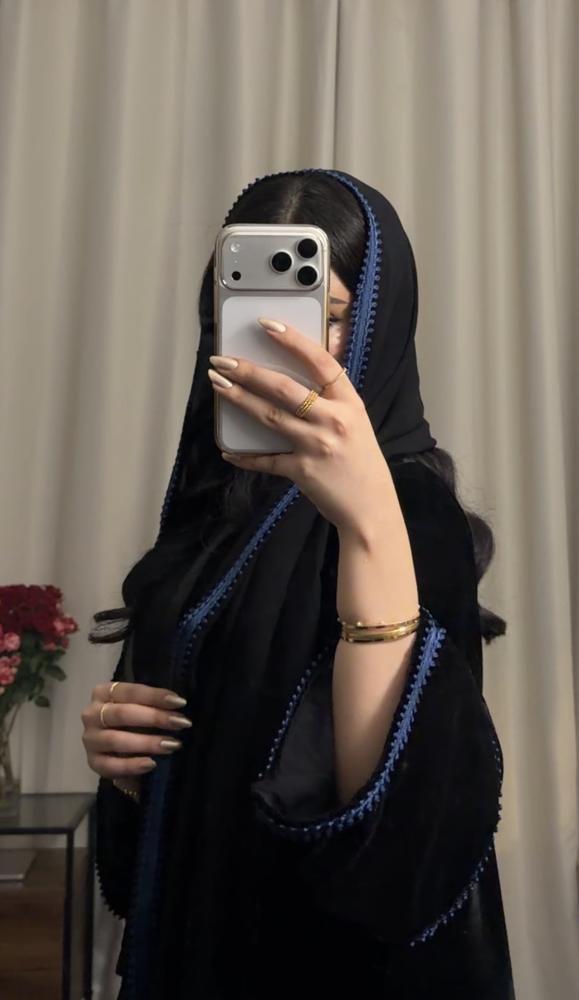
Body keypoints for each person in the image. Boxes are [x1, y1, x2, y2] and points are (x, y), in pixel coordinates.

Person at [81, 169, 516, 998]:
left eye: (329, 315)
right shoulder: (211, 509)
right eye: (249, 311)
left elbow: (392, 835)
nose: (285, 343)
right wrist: (127, 766)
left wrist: (366, 519)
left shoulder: (411, 515)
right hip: (204, 947)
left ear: (381, 323)